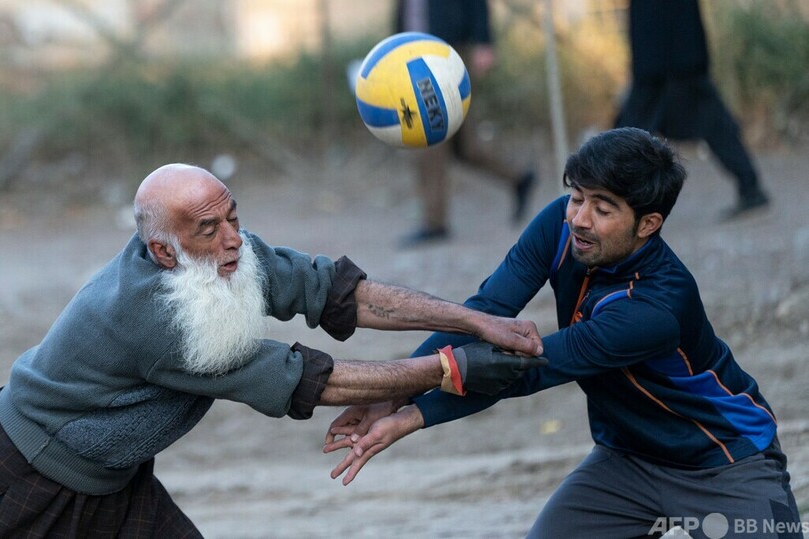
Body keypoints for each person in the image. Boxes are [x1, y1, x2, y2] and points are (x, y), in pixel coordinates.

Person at [0, 163, 545, 536]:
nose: (232, 237)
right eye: (210, 229)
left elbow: (337, 292)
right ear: (164, 251)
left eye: (233, 217)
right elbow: (305, 379)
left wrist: (476, 320)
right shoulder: (156, 318)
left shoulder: (224, 249)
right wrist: (449, 368)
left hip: (114, 478)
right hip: (32, 481)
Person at [324, 128, 802, 538]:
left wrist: (410, 416)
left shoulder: (657, 306)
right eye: (577, 197)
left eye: (603, 208)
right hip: (626, 461)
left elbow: (524, 371)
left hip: (725, 462)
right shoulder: (559, 224)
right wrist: (396, 392)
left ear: (648, 224)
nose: (579, 218)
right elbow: (486, 311)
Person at [395, 0, 536, 247]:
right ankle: (519, 177)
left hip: (445, 52)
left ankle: (434, 222)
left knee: (428, 135)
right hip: (411, 54)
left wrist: (484, 41)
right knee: (466, 147)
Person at [614, 0, 770, 221]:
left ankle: (607, 195)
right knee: (633, 127)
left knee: (630, 129)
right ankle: (607, 196)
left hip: (669, 54)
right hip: (676, 52)